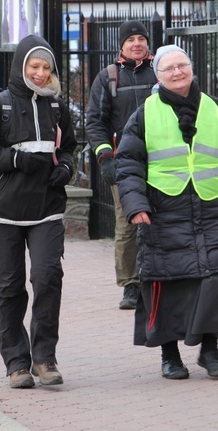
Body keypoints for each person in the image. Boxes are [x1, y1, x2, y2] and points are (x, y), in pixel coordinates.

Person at [115, 45, 218, 380]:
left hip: (212, 207)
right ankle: (170, 357)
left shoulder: (216, 109)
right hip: (163, 209)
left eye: (182, 65)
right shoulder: (144, 113)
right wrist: (136, 205)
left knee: (217, 279)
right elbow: (128, 164)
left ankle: (209, 350)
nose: (178, 72)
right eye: (169, 68)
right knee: (168, 284)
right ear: (159, 76)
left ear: (192, 68)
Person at [0, 35, 78, 388]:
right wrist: (15, 159)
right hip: (1, 212)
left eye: (46, 67)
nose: (40, 74)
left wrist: (66, 169)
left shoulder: (58, 108)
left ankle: (45, 358)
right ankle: (16, 362)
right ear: (20, 67)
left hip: (46, 209)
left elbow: (71, 149)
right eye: (34, 66)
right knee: (11, 287)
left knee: (47, 280)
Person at [86, 20, 157, 310]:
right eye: (131, 39)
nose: (137, 43)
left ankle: (159, 277)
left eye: (142, 38)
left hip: (162, 160)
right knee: (127, 223)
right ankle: (131, 284)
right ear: (122, 45)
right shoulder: (109, 77)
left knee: (164, 219)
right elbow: (95, 122)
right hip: (124, 164)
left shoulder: (161, 71)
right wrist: (105, 157)